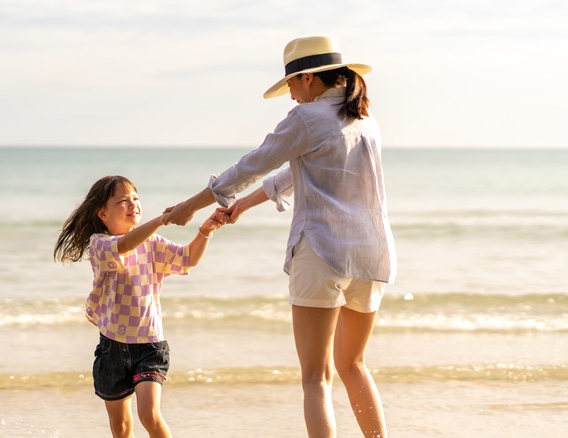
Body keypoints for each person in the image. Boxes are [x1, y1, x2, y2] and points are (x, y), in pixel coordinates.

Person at [163, 36, 396, 438]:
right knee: (353, 365)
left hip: (321, 251)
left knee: (315, 378)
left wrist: (191, 205)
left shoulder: (305, 119)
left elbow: (250, 166)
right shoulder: (362, 117)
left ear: (307, 79)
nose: (289, 94)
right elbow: (296, 172)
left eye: (289, 83)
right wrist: (242, 207)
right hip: (371, 254)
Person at [54, 175, 227, 438]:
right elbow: (124, 245)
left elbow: (188, 258)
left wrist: (205, 231)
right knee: (121, 427)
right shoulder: (99, 243)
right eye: (123, 201)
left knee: (149, 415)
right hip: (112, 347)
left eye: (135, 198)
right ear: (103, 213)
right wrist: (161, 220)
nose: (132, 204)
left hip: (150, 345)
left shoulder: (153, 243)